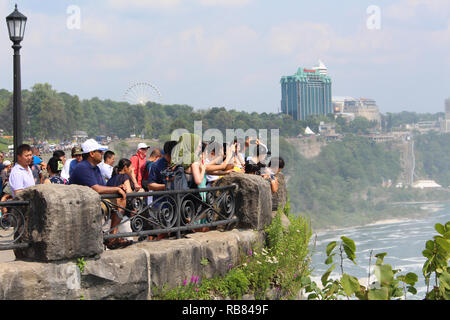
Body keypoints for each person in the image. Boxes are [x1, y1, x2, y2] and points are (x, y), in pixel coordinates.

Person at [70, 139, 131, 250]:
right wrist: (116, 189)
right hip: (82, 204)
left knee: (120, 199)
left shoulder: (95, 168)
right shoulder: (83, 167)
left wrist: (118, 188)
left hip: (94, 201)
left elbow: (104, 186)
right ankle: (112, 238)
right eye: (100, 151)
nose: (102, 154)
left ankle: (113, 236)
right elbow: (96, 188)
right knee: (119, 200)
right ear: (92, 154)